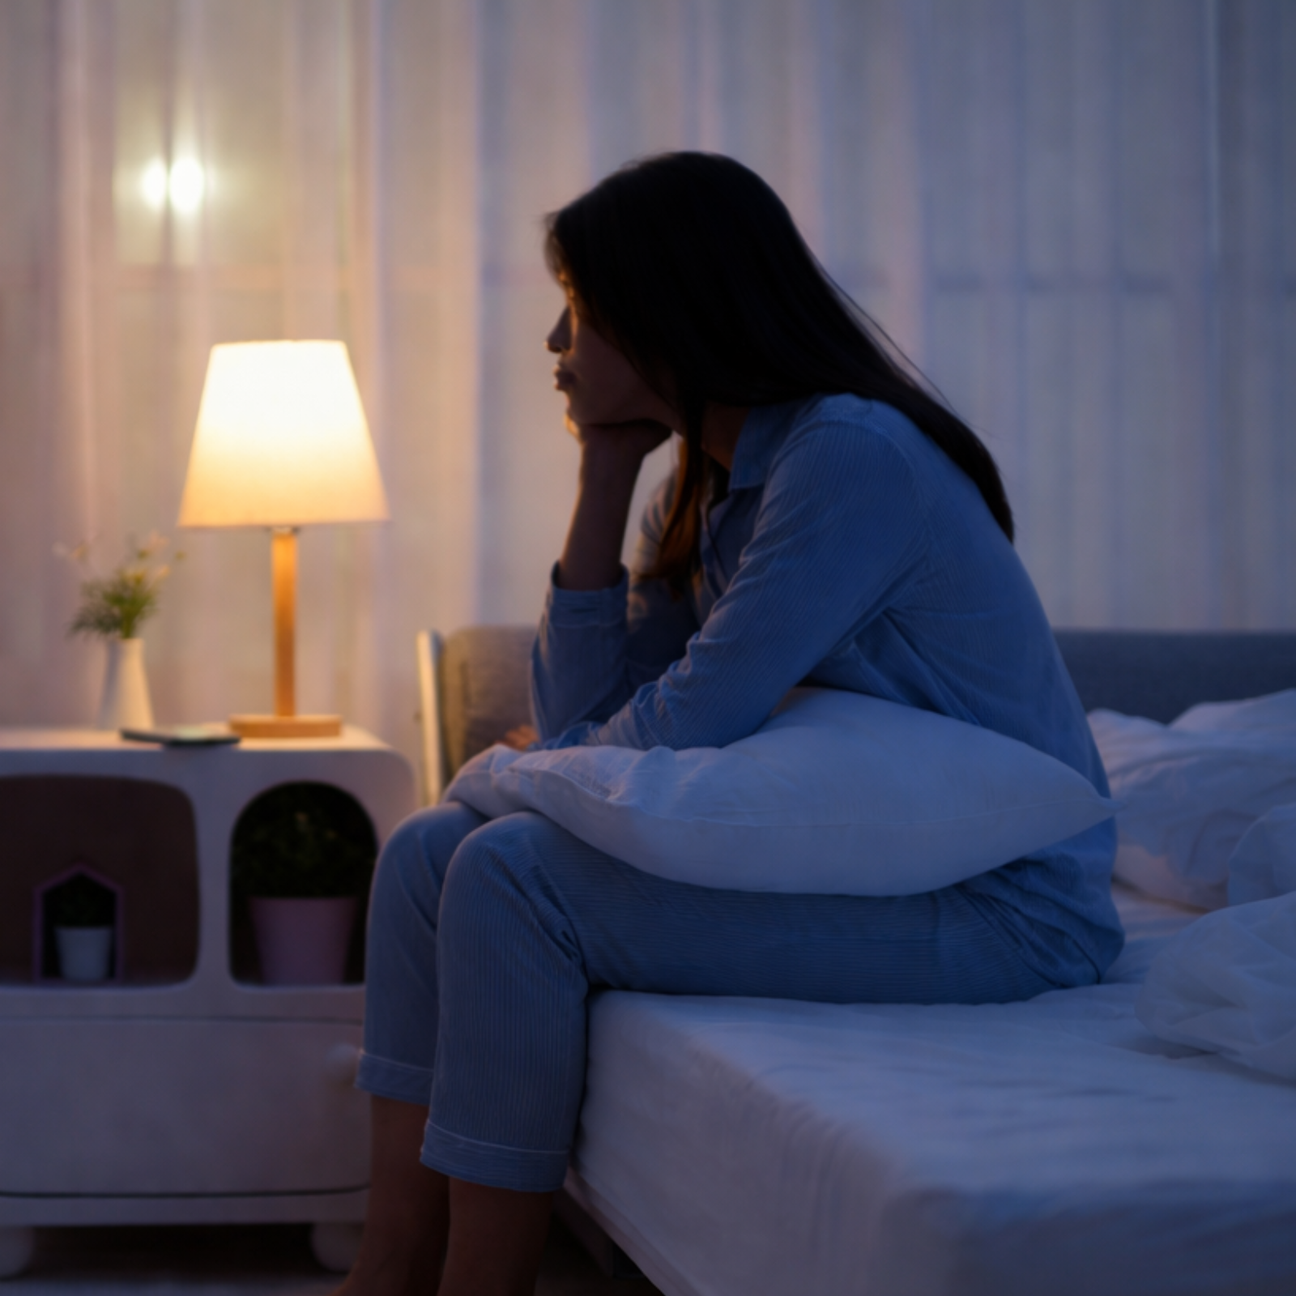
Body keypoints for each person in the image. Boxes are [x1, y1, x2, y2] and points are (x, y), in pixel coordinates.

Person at [339, 152, 1122, 1296]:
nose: (556, 350)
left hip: (1006, 909)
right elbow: (588, 723)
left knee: (514, 875)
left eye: (580, 313)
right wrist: (604, 477)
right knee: (422, 855)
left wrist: (533, 777)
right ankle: (388, 1270)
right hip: (874, 875)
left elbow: (687, 723)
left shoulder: (848, 456)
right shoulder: (712, 483)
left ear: (671, 310)